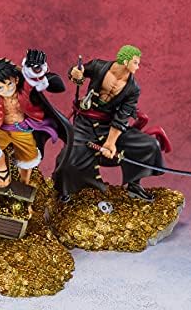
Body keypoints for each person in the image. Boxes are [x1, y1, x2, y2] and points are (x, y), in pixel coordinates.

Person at [53, 45, 165, 203]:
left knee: (149, 145)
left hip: (109, 125)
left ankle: (134, 184)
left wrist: (111, 142)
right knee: (67, 158)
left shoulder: (133, 88)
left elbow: (122, 116)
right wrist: (75, 73)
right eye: (135, 62)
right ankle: (64, 191)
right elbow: (78, 71)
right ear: (125, 61)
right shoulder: (98, 66)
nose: (138, 67)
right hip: (85, 123)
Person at [0, 50, 73, 187]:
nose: (7, 89)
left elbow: (40, 82)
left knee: (28, 163)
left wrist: (37, 69)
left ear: (16, 80)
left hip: (23, 131)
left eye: (9, 84)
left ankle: (23, 187)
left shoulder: (24, 93)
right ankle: (0, 160)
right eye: (1, 87)